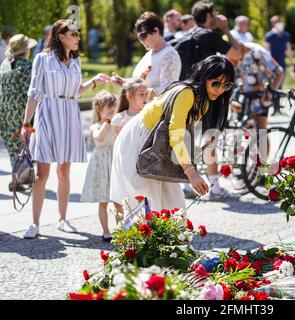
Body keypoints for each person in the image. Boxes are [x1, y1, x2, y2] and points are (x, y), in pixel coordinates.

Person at [20, 19, 111, 239]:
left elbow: (76, 91)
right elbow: (34, 92)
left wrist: (94, 81)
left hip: (70, 115)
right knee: (42, 174)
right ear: (61, 36)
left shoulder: (76, 61)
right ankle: (35, 223)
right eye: (74, 34)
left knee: (64, 171)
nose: (78, 37)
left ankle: (62, 219)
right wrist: (26, 123)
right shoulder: (43, 58)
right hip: (48, 113)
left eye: (78, 34)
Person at [110, 55, 235, 211]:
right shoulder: (186, 93)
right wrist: (191, 173)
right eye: (216, 83)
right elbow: (176, 133)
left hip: (159, 144)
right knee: (145, 205)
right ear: (204, 78)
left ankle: (168, 235)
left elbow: (181, 135)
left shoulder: (204, 102)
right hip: (140, 140)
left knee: (171, 204)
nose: (221, 90)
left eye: (226, 85)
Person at [176, 0, 243, 201]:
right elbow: (237, 52)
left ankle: (186, 184)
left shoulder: (184, 36)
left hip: (186, 92)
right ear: (208, 16)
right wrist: (226, 29)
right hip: (209, 92)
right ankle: (214, 187)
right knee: (211, 137)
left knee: (186, 137)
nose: (217, 17)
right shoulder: (210, 36)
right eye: (214, 14)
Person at [112, 12, 181, 99]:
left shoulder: (169, 55)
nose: (141, 41)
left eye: (143, 35)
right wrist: (124, 82)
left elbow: (168, 90)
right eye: (139, 37)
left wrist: (138, 91)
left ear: (156, 31)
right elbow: (141, 81)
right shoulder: (149, 54)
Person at [0, 34, 37, 192]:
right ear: (25, 50)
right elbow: (33, 92)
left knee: (12, 144)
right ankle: (19, 178)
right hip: (21, 110)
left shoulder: (4, 65)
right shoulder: (28, 67)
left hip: (5, 110)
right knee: (23, 145)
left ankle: (15, 179)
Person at [80, 90, 117, 242]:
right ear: (99, 109)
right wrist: (108, 122)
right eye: (108, 107)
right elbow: (100, 138)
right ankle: (106, 231)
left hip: (113, 162)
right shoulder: (96, 126)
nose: (111, 110)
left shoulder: (115, 124)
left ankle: (121, 229)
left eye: (113, 107)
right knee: (103, 201)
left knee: (118, 201)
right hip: (101, 165)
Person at [231, 42, 284, 131]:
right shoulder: (230, 54)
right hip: (242, 97)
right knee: (241, 132)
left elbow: (280, 72)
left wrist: (270, 93)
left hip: (259, 96)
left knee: (261, 132)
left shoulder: (258, 52)